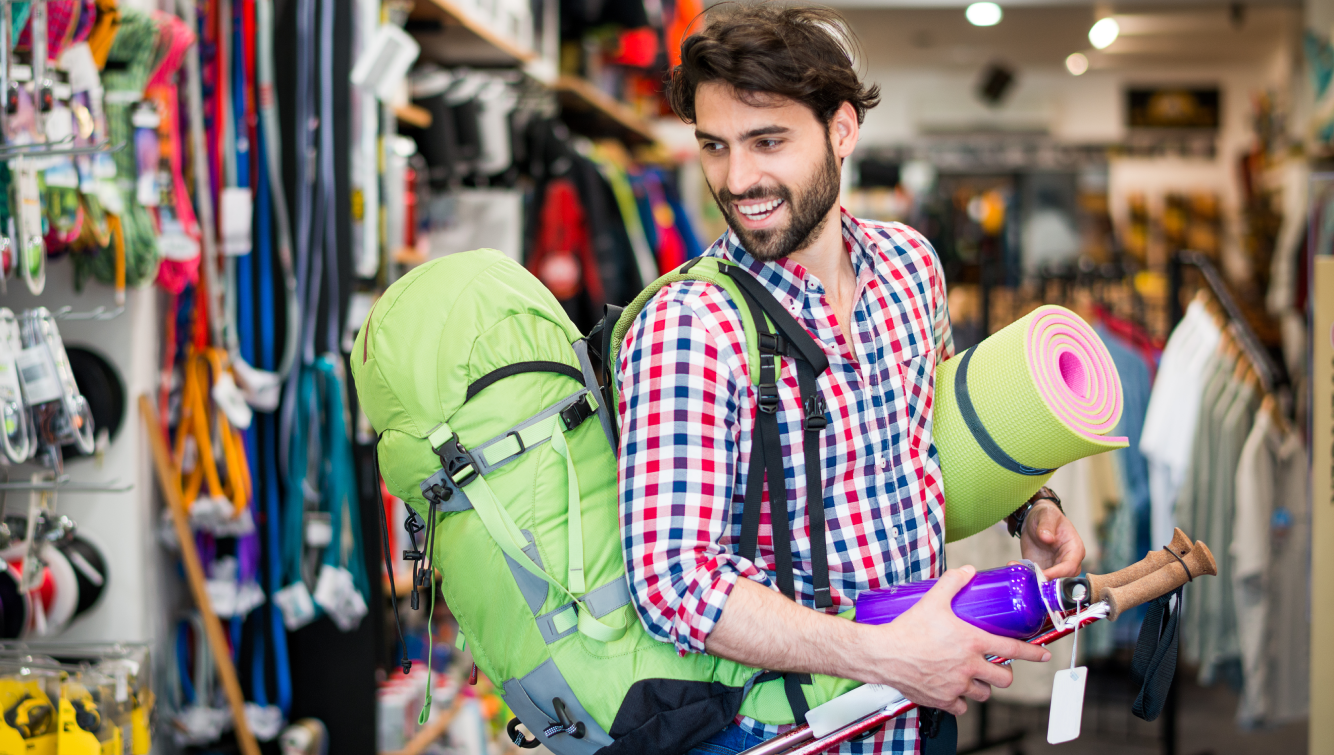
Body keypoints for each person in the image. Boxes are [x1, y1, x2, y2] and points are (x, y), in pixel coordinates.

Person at [614, 5, 1087, 754]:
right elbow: (674, 584)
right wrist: (886, 657)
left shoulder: (911, 266)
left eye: (768, 141)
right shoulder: (689, 325)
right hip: (784, 732)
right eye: (715, 146)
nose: (737, 179)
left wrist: (1028, 504)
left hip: (915, 718)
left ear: (841, 130)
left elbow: (934, 432)